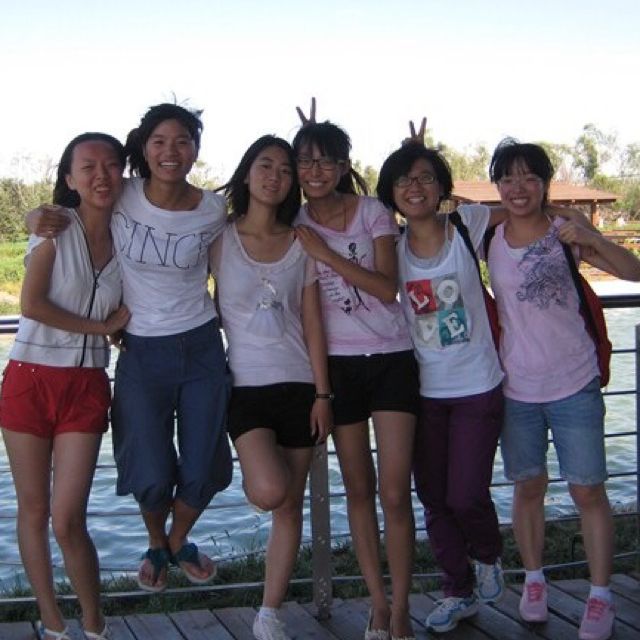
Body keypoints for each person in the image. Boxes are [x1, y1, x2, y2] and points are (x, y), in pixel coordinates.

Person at [28, 103, 233, 593]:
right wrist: (35, 215)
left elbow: (227, 273)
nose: (170, 151)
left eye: (182, 141)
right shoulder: (124, 192)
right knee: (148, 463)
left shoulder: (212, 209)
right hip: (140, 348)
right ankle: (155, 541)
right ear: (144, 148)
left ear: (195, 149)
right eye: (159, 141)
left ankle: (175, 540)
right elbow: (73, 202)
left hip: (202, 343)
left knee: (205, 460)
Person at [487, 138, 640, 640]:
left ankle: (600, 595)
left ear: (545, 183)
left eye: (529, 176)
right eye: (508, 177)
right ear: (497, 186)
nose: (519, 187)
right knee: (528, 487)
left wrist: (592, 239)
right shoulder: (488, 235)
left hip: (574, 380)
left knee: (588, 489)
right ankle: (534, 582)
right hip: (516, 386)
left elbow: (632, 270)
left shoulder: (565, 228)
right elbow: (424, 222)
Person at [292, 101, 419, 640]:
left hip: (391, 359)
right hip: (338, 369)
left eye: (326, 161)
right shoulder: (293, 223)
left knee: (394, 492)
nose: (315, 171)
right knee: (359, 490)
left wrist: (326, 254)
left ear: (344, 166)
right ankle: (378, 604)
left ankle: (403, 606)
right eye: (305, 161)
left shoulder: (372, 213)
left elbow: (387, 287)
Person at [0, 133, 131, 640]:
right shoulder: (54, 228)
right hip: (30, 378)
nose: (101, 175)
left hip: (87, 385)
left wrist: (119, 332)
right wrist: (102, 327)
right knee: (33, 510)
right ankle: (54, 624)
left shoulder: (129, 237)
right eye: (88, 166)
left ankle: (95, 625)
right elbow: (32, 305)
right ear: (71, 178)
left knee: (67, 517)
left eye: (111, 165)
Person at [376, 124, 506, 634]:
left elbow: (523, 213)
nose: (415, 188)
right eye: (404, 181)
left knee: (465, 494)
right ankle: (458, 590)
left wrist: (577, 230)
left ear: (442, 186)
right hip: (422, 393)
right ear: (391, 193)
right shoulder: (391, 247)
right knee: (433, 498)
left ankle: (488, 554)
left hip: (478, 386)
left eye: (426, 178)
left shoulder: (468, 225)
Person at [211, 134, 332, 640]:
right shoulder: (219, 238)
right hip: (245, 388)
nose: (275, 176)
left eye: (285, 170)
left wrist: (323, 394)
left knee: (289, 507)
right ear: (247, 173)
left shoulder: (302, 241)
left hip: (299, 386)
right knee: (269, 490)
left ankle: (269, 612)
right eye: (265, 165)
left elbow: (312, 321)